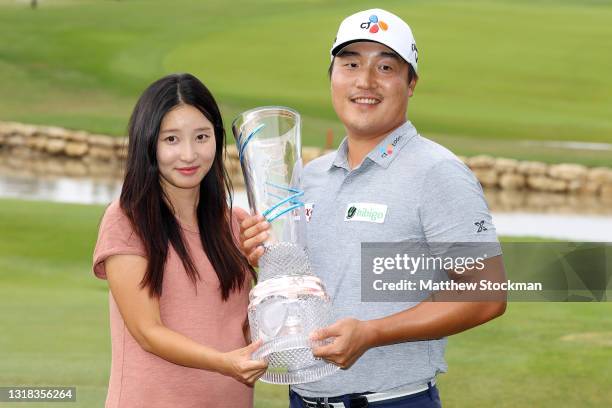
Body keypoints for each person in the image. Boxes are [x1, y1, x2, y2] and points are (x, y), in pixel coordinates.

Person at [240, 9, 506, 408]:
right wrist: (258, 260)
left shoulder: (437, 172)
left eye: (385, 67)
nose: (365, 81)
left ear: (411, 82)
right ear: (331, 76)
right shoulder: (309, 178)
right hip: (305, 399)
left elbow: (487, 292)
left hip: (393, 401)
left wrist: (371, 333)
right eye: (350, 65)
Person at [92, 73, 267, 408]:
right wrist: (224, 362)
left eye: (201, 137)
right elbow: (147, 331)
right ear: (148, 143)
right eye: (171, 139)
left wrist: (268, 270)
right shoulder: (127, 220)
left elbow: (241, 331)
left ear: (216, 139)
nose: (189, 154)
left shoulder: (234, 226)